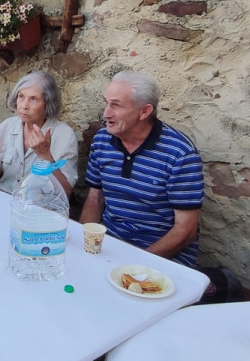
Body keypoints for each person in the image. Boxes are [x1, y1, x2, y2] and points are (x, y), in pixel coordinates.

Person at [80, 71, 203, 264]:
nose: (106, 114)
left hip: (161, 256)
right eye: (106, 103)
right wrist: (83, 245)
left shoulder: (179, 153)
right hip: (109, 245)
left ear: (144, 111)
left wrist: (136, 263)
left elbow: (186, 230)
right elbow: (95, 199)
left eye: (116, 105)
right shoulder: (102, 140)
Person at [0, 71, 78, 195]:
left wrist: (45, 156)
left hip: (37, 208)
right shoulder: (7, 126)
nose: (24, 105)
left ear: (48, 103)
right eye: (21, 96)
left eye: (33, 99)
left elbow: (65, 192)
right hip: (2, 198)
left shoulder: (64, 135)